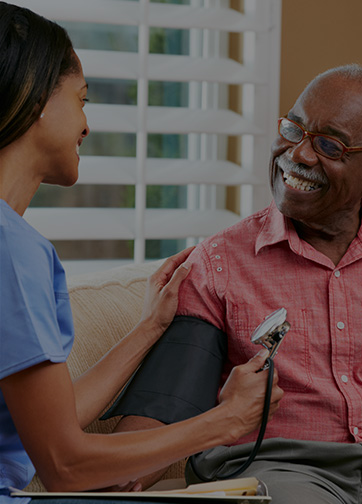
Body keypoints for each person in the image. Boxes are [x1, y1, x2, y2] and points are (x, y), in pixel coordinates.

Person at [0, 2, 284, 503]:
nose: (87, 126)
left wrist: (148, 327)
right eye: (82, 100)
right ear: (35, 97)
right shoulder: (14, 251)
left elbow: (51, 421)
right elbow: (65, 464)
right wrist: (225, 421)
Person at [108, 64, 362, 504]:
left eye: (329, 145)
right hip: (284, 473)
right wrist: (106, 469)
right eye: (293, 129)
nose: (301, 155)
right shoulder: (218, 266)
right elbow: (155, 427)